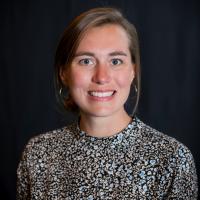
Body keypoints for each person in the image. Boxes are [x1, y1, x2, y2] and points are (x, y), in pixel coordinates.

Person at [17, 7, 198, 199]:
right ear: (64, 73)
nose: (102, 77)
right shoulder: (38, 154)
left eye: (116, 61)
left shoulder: (172, 160)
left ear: (133, 71)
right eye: (86, 61)